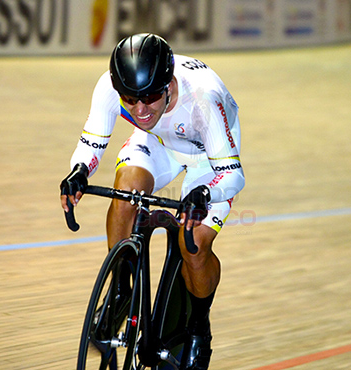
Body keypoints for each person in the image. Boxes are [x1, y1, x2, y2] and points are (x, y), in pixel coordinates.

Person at [60, 33, 245, 370]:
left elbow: (233, 175)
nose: (141, 109)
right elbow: (92, 141)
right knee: (126, 192)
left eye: (150, 98)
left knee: (194, 245)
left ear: (169, 84)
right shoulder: (110, 87)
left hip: (208, 156)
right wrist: (78, 172)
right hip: (159, 141)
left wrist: (204, 193)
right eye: (130, 100)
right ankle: (121, 289)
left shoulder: (203, 98)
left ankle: (198, 326)